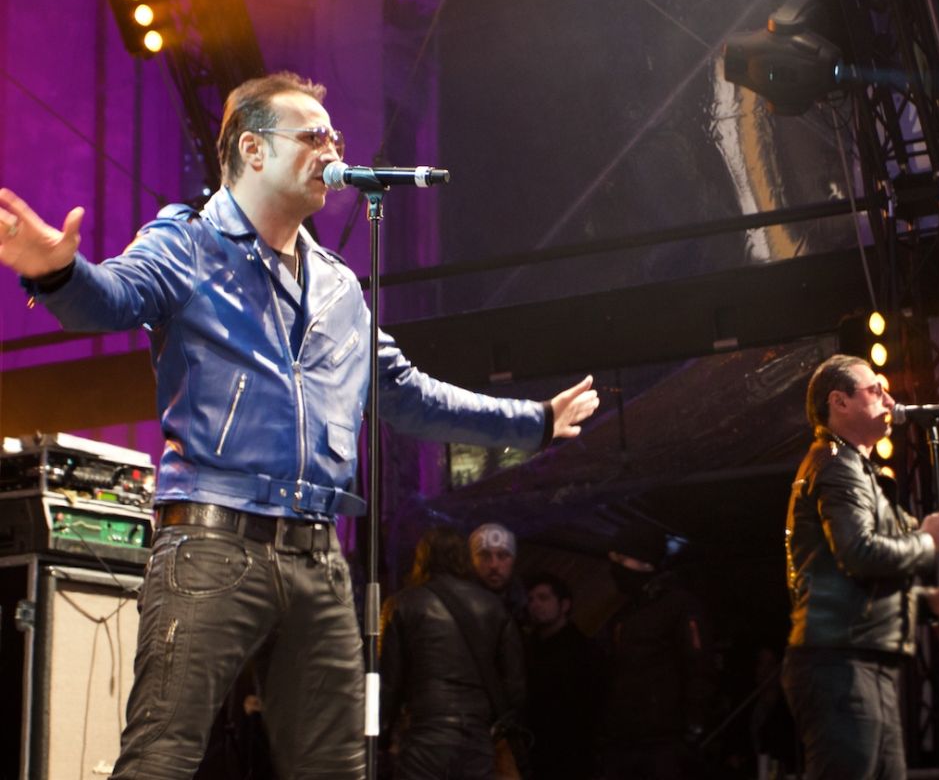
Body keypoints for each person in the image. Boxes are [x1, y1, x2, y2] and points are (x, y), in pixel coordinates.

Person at [0, 71, 600, 780]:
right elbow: (115, 297)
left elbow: (408, 395)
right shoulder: (188, 242)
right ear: (252, 150)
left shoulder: (339, 286)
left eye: (335, 136)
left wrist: (533, 422)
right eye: (313, 136)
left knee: (337, 769)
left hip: (318, 557)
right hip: (211, 544)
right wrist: (58, 274)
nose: (333, 149)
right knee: (161, 759)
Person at [781, 353, 939, 780]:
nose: (890, 400)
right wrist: (927, 541)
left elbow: (849, 575)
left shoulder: (852, 468)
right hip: (838, 662)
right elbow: (860, 554)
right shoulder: (836, 465)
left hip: (859, 660)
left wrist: (926, 603)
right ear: (839, 402)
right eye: (875, 391)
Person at [380, 527, 524, 780]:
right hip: (477, 736)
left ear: (422, 559)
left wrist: (381, 737)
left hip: (423, 734)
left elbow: (388, 683)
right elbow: (514, 685)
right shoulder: (494, 607)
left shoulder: (401, 604)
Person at [600, 523, 715, 780]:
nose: (615, 567)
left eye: (621, 559)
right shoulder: (626, 613)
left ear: (645, 563)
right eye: (613, 559)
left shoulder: (679, 606)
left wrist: (693, 726)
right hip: (626, 739)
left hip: (663, 743)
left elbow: (699, 667)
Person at [522, 572, 604, 780]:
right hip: (534, 750)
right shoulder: (526, 649)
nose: (535, 605)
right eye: (530, 600)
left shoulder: (583, 652)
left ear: (564, 605)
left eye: (543, 598)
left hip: (570, 754)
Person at [470, 521, 527, 622]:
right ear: (472, 560)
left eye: (502, 556)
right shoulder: (457, 605)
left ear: (514, 560)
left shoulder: (528, 609)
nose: (494, 565)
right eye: (485, 556)